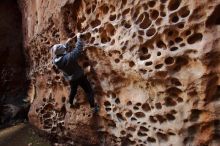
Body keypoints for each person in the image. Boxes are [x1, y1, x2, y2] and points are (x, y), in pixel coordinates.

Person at [52, 33, 99, 113]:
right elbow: (78, 49)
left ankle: (70, 102)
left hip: (71, 78)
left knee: (73, 90)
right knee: (88, 90)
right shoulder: (69, 57)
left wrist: (66, 43)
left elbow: (61, 53)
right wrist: (78, 38)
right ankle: (93, 107)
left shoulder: (55, 61)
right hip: (79, 76)